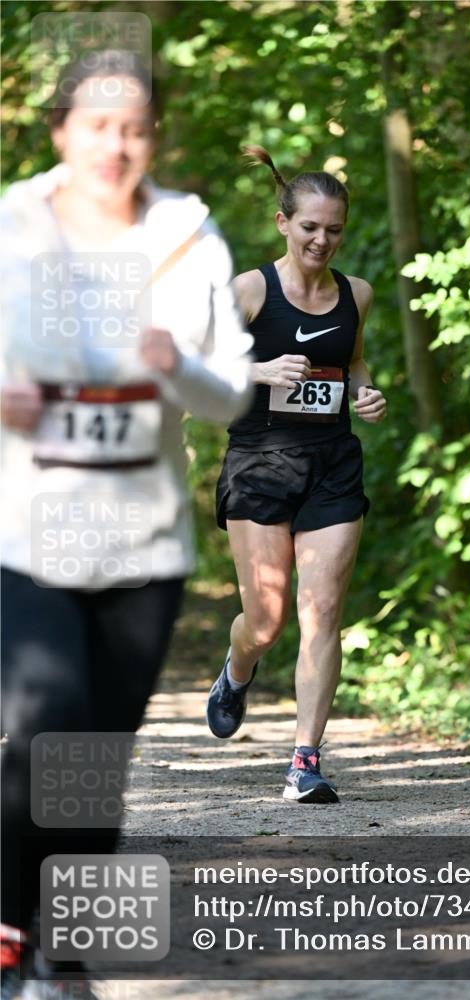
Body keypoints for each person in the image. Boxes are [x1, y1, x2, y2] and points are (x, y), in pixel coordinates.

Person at [0, 50, 252, 999]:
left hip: (140, 543)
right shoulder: (11, 226)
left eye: (135, 127)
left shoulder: (187, 235)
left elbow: (230, 392)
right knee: (43, 723)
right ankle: (7, 934)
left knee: (95, 759)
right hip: (24, 534)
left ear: (152, 139)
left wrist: (176, 365)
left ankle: (65, 962)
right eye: (98, 124)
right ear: (61, 130)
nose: (116, 143)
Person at [207, 145, 387, 804]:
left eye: (333, 229)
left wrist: (365, 394)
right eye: (309, 226)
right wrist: (255, 371)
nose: (322, 239)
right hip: (259, 461)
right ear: (284, 222)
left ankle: (304, 761)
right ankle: (237, 667)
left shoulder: (356, 294)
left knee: (322, 613)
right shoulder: (250, 290)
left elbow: (354, 364)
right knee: (267, 620)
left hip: (332, 462)